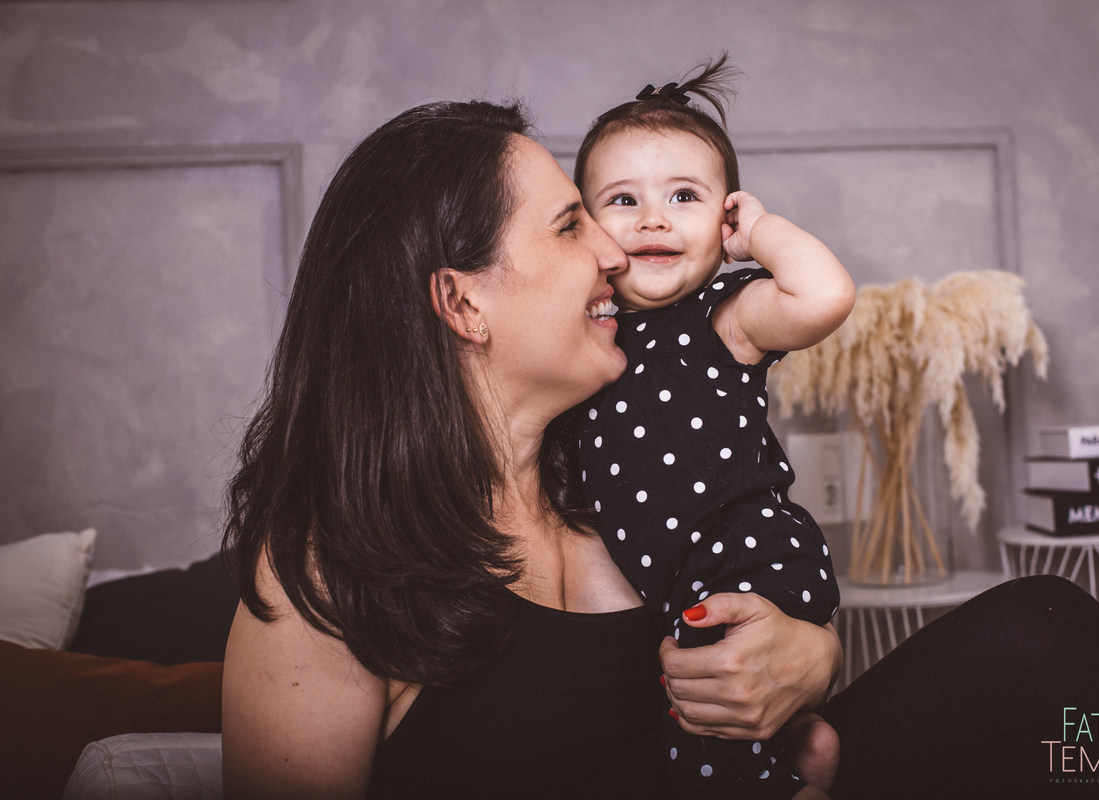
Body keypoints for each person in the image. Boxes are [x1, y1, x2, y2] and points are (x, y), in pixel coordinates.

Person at [219, 98, 841, 800]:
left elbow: (751, 581)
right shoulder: (327, 578)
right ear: (463, 304)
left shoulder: (626, 479)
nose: (613, 249)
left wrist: (812, 653)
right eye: (572, 225)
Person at [574, 56, 852, 798]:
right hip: (677, 581)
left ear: (723, 216)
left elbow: (823, 295)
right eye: (623, 200)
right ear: (584, 226)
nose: (654, 219)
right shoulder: (589, 332)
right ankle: (798, 757)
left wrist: (758, 233)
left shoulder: (720, 317)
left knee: (697, 714)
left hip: (744, 558)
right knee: (681, 702)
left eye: (685, 197)